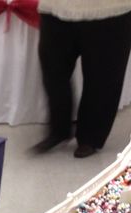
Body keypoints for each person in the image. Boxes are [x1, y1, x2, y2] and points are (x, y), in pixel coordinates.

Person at [34, 0, 131, 159]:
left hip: (110, 11)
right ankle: (59, 129)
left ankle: (90, 138)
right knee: (53, 69)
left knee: (103, 78)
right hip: (55, 8)